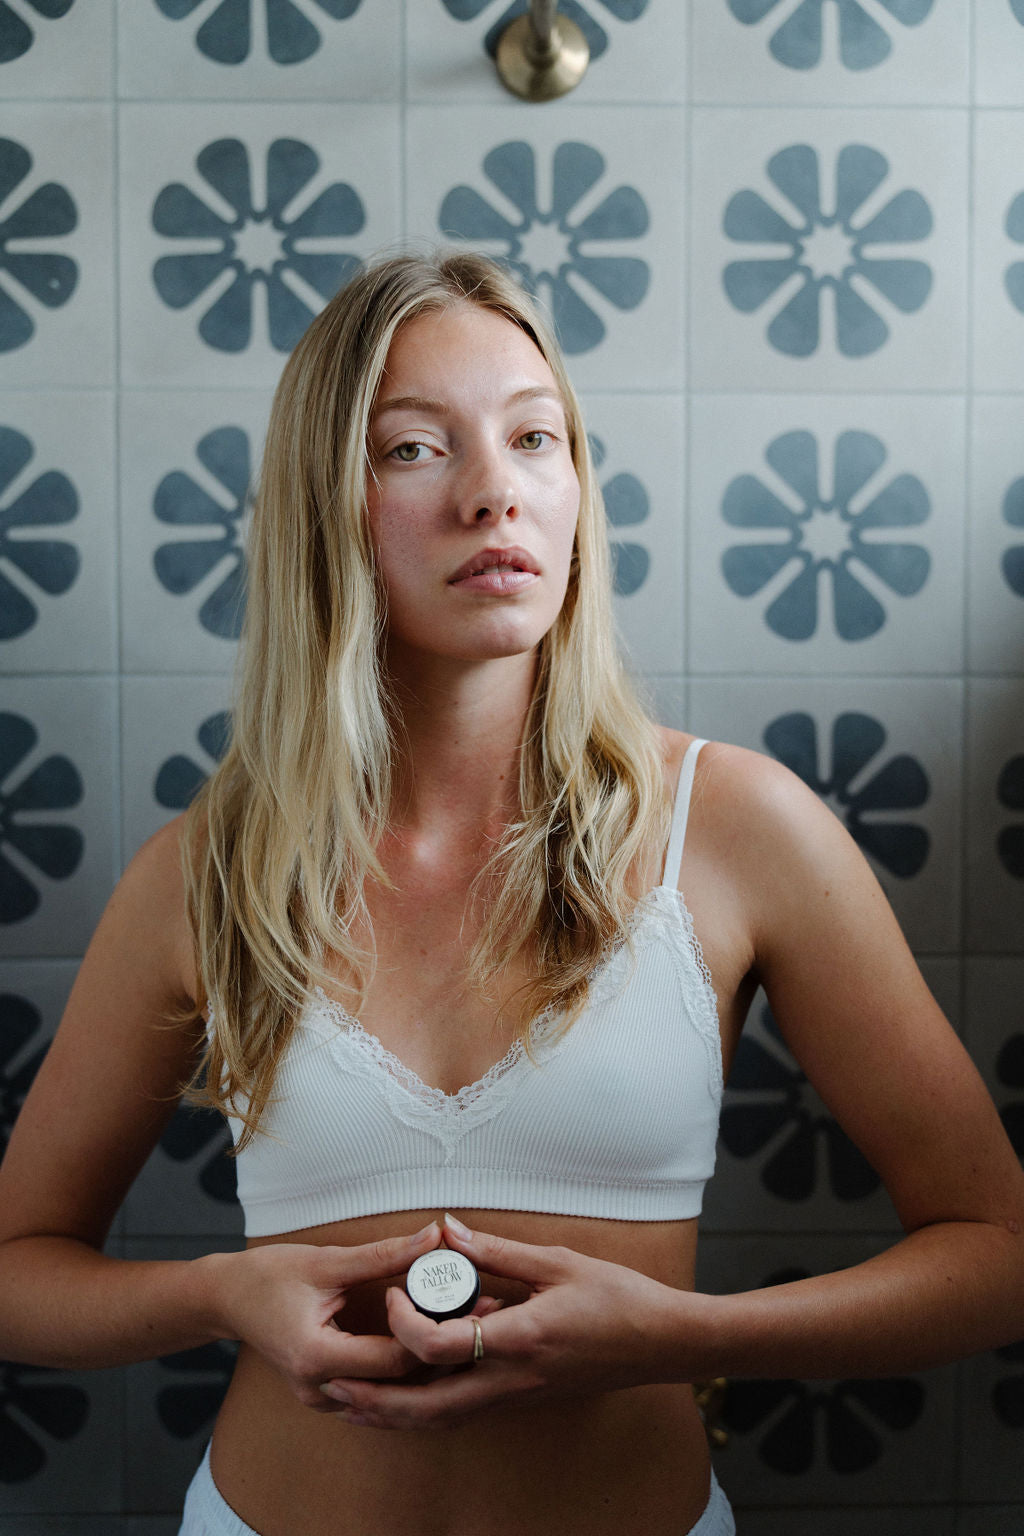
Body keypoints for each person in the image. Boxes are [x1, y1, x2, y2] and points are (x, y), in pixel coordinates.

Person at [1, 250, 1022, 1536]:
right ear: (327, 504)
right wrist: (215, 1299)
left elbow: (998, 1249)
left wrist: (680, 1335)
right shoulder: (208, 874)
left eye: (535, 437)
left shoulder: (736, 831)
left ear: (577, 489)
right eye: (415, 449)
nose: (495, 493)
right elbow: (15, 1269)